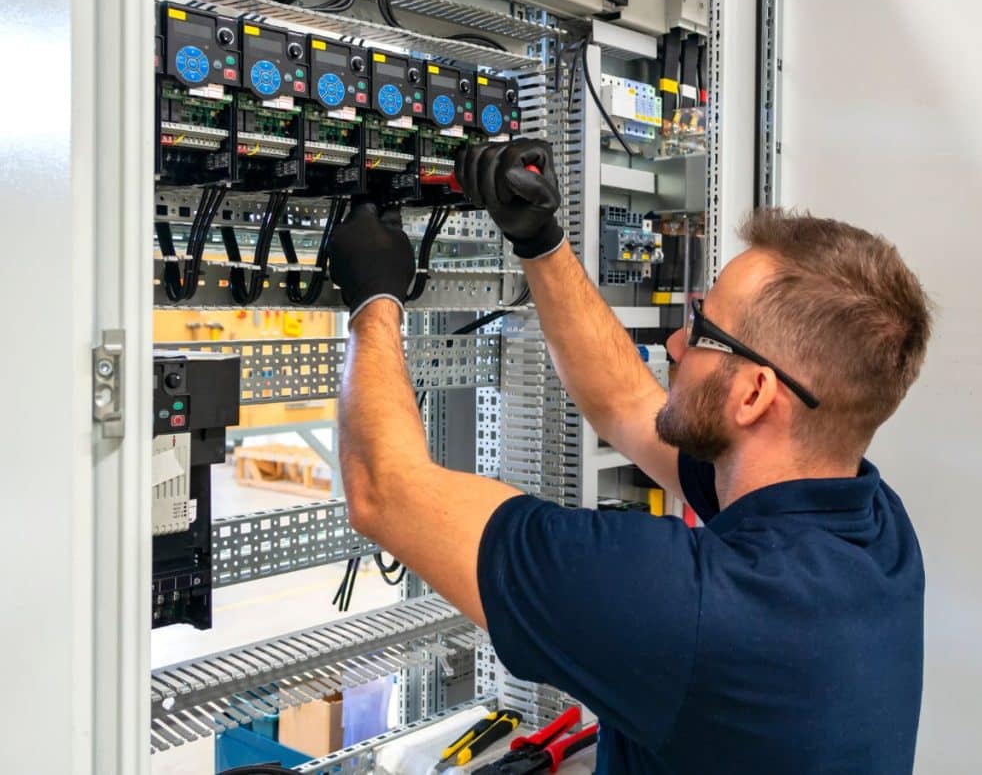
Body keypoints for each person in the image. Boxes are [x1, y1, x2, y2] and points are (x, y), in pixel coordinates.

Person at [327, 139, 932, 774]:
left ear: (755, 394)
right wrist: (538, 237)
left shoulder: (698, 609)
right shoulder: (875, 530)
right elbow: (625, 402)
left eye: (704, 332)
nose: (675, 342)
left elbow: (382, 491)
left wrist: (374, 303)